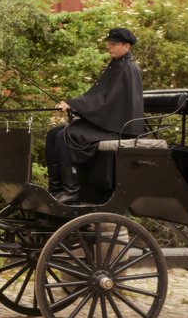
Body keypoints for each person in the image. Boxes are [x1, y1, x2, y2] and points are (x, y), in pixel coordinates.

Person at [45, 27, 144, 203]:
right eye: (109, 43)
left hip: (118, 127)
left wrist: (74, 104)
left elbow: (106, 100)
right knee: (53, 134)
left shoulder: (127, 68)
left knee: (64, 135)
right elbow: (99, 96)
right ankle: (55, 189)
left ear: (126, 46)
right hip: (108, 122)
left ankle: (72, 191)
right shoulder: (117, 65)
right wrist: (75, 104)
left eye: (113, 44)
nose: (109, 47)